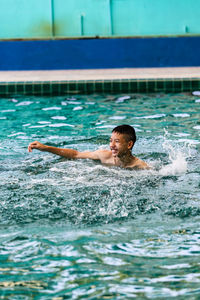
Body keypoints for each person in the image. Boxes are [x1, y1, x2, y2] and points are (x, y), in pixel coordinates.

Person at [28, 124, 149, 169]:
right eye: (110, 140)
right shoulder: (104, 156)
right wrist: (45, 148)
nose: (111, 145)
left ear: (129, 144)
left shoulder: (140, 167)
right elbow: (75, 154)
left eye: (116, 141)